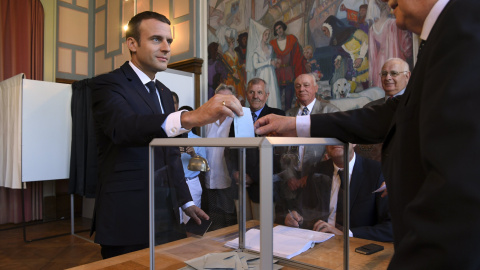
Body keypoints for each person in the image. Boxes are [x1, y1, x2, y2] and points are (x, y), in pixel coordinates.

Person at [255, 0, 480, 268]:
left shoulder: (466, 25)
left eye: (394, 74)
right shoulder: (442, 35)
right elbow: (385, 116)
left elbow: (461, 176)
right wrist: (295, 125)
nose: (389, 2)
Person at [89, 11, 242, 259]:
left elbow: (170, 152)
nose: (166, 48)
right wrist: (190, 117)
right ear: (132, 43)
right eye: (156, 39)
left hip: (167, 214)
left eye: (169, 41)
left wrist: (186, 201)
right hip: (127, 214)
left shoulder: (163, 92)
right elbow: (123, 128)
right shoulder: (108, 84)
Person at [283, 143, 393, 242]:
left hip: (355, 249)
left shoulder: (377, 172)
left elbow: (391, 227)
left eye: (341, 135)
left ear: (354, 142)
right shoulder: (318, 170)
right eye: (331, 136)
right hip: (318, 245)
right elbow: (303, 208)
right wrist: (294, 216)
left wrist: (346, 234)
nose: (336, 140)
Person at [229, 78, 285, 220]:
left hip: (263, 186)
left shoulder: (277, 116)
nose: (255, 96)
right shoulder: (237, 117)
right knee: (242, 232)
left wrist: (252, 177)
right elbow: (229, 149)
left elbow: (277, 154)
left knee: (262, 233)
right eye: (252, 92)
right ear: (247, 95)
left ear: (267, 95)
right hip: (239, 185)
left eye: (260, 92)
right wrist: (234, 172)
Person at [204, 84, 238, 231]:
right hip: (209, 181)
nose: (224, 102)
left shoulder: (236, 121)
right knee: (213, 224)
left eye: (228, 99)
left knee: (230, 225)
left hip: (229, 182)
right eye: (221, 98)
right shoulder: (208, 121)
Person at [367, 0, 413, 88]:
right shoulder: (393, 23)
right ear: (388, 8)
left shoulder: (372, 28)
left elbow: (372, 54)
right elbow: (407, 46)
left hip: (380, 62)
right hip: (394, 57)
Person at [175, 104, 207, 224]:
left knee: (191, 220)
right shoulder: (170, 138)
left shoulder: (198, 140)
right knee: (176, 219)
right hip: (175, 182)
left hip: (192, 182)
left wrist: (194, 155)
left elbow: (204, 167)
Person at [322, 15, 369, 90]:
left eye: (325, 30)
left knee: (366, 89)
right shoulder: (336, 40)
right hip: (350, 67)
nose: (324, 33)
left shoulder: (352, 32)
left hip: (363, 64)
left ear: (331, 28)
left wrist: (361, 57)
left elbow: (366, 39)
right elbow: (342, 52)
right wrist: (339, 58)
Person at [270, 20, 308, 110]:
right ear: (275, 32)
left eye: (280, 28)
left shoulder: (291, 39)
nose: (279, 31)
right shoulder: (272, 44)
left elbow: (298, 55)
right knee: (277, 99)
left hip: (289, 73)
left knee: (288, 99)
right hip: (277, 74)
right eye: (277, 29)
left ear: (283, 28)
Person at [246, 19, 281, 109]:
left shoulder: (270, 47)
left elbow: (271, 59)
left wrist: (275, 61)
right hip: (262, 74)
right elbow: (255, 65)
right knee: (261, 91)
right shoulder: (256, 50)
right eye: (265, 34)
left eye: (268, 34)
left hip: (270, 74)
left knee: (272, 92)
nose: (267, 36)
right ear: (260, 35)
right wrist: (268, 62)